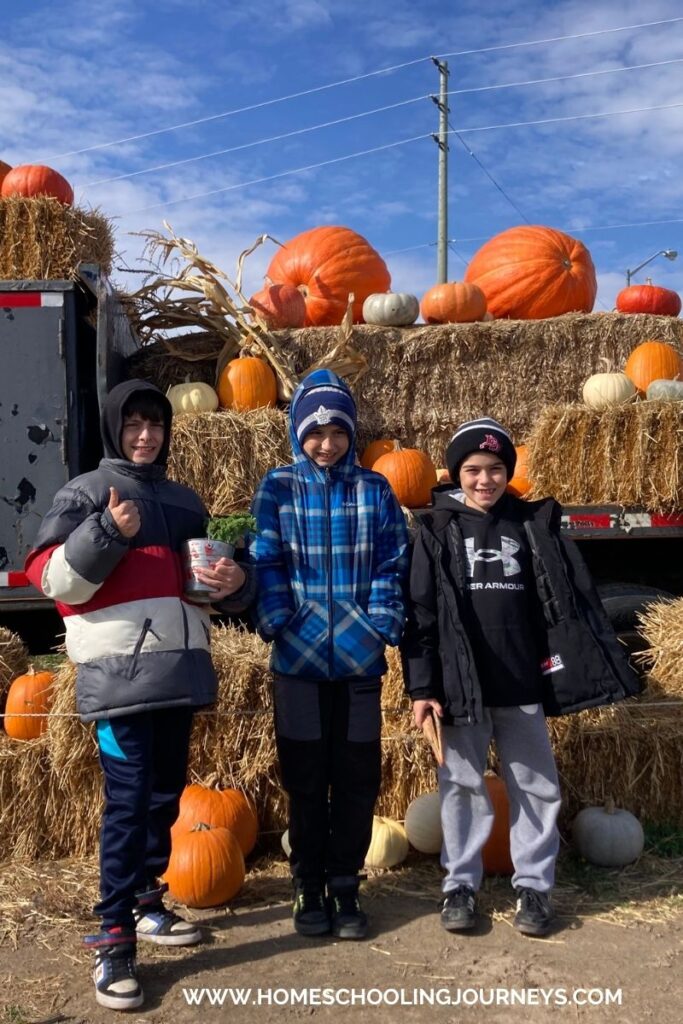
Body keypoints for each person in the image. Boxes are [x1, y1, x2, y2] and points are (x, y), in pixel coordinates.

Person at [25, 380, 255, 1011]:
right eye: (134, 425)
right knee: (126, 806)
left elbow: (200, 589)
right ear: (114, 430)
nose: (146, 435)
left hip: (178, 674)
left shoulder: (185, 500)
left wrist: (232, 584)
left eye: (155, 424)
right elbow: (48, 576)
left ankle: (148, 901)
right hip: (118, 682)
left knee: (163, 795)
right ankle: (113, 940)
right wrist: (105, 530)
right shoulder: (87, 492)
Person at [401, 417, 640, 938]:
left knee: (535, 786)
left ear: (509, 471)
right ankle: (460, 886)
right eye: (472, 470)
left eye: (495, 469)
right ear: (454, 473)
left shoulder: (530, 526)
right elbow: (419, 616)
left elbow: (566, 605)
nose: (484, 480)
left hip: (522, 682)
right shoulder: (437, 530)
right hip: (461, 687)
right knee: (461, 786)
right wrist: (422, 687)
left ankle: (533, 887)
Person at [250, 369, 408, 940]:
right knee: (306, 778)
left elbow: (393, 561)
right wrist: (277, 621)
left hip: (361, 664)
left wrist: (382, 622)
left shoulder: (375, 490)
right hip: (298, 662)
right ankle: (307, 885)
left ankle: (346, 885)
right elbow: (265, 560)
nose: (326, 442)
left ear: (350, 432)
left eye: (337, 430)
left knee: (359, 776)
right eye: (314, 431)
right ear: (298, 434)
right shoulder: (278, 487)